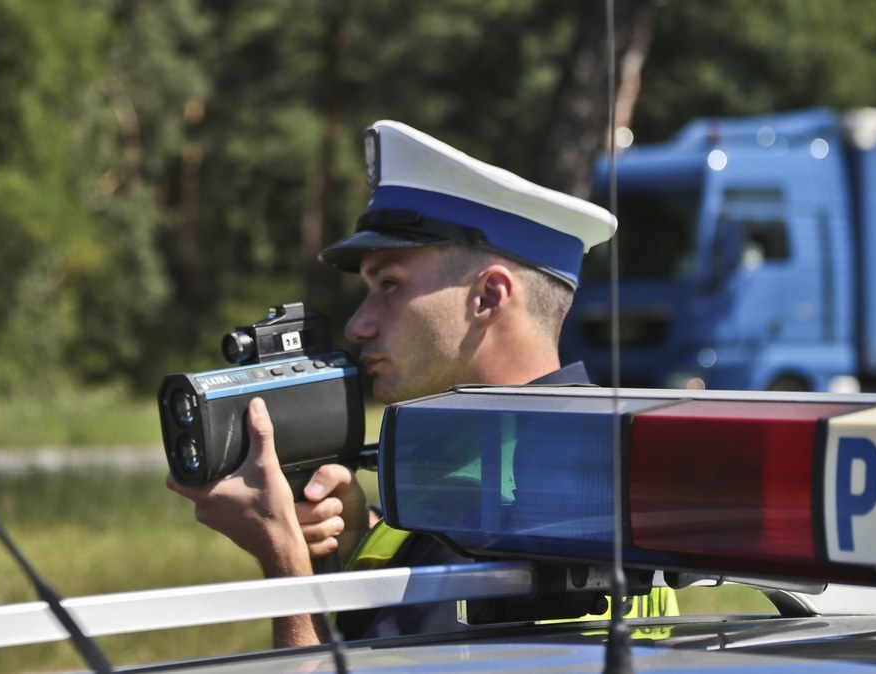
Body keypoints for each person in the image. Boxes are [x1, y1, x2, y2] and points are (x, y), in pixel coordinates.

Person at [168, 120, 667, 646]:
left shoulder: (535, 503)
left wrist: (284, 558)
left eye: (389, 284)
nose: (359, 324)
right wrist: (356, 540)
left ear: (489, 298)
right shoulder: (555, 462)